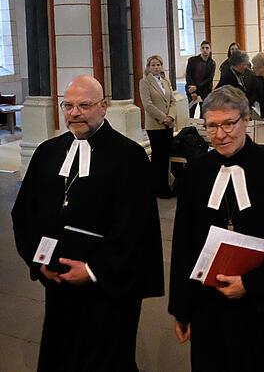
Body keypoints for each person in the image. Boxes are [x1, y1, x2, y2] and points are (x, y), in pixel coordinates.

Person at [13, 75, 164, 371]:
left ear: (103, 107)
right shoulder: (48, 152)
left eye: (84, 105)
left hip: (108, 287)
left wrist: (94, 270)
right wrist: (37, 260)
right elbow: (24, 213)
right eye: (67, 106)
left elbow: (136, 228)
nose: (74, 113)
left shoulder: (129, 156)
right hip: (59, 285)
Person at [169, 86, 264, 371]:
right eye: (211, 126)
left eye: (228, 123)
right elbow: (184, 244)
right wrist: (182, 308)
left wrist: (251, 284)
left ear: (246, 120)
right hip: (210, 308)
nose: (220, 134)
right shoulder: (197, 173)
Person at [139, 55, 177, 199]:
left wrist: (171, 117)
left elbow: (172, 101)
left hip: (169, 124)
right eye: (153, 65)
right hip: (155, 125)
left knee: (166, 156)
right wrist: (163, 118)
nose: (156, 67)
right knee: (158, 157)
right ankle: (158, 188)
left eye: (158, 65)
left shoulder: (166, 81)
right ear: (148, 67)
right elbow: (147, 104)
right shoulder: (145, 82)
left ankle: (166, 185)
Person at [185, 40, 216, 115]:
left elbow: (209, 79)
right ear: (200, 49)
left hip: (204, 91)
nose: (205, 50)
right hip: (192, 90)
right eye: (203, 48)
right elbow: (188, 75)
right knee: (191, 113)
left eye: (207, 48)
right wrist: (193, 91)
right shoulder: (192, 60)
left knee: (203, 114)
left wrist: (197, 87)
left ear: (210, 50)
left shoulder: (212, 63)